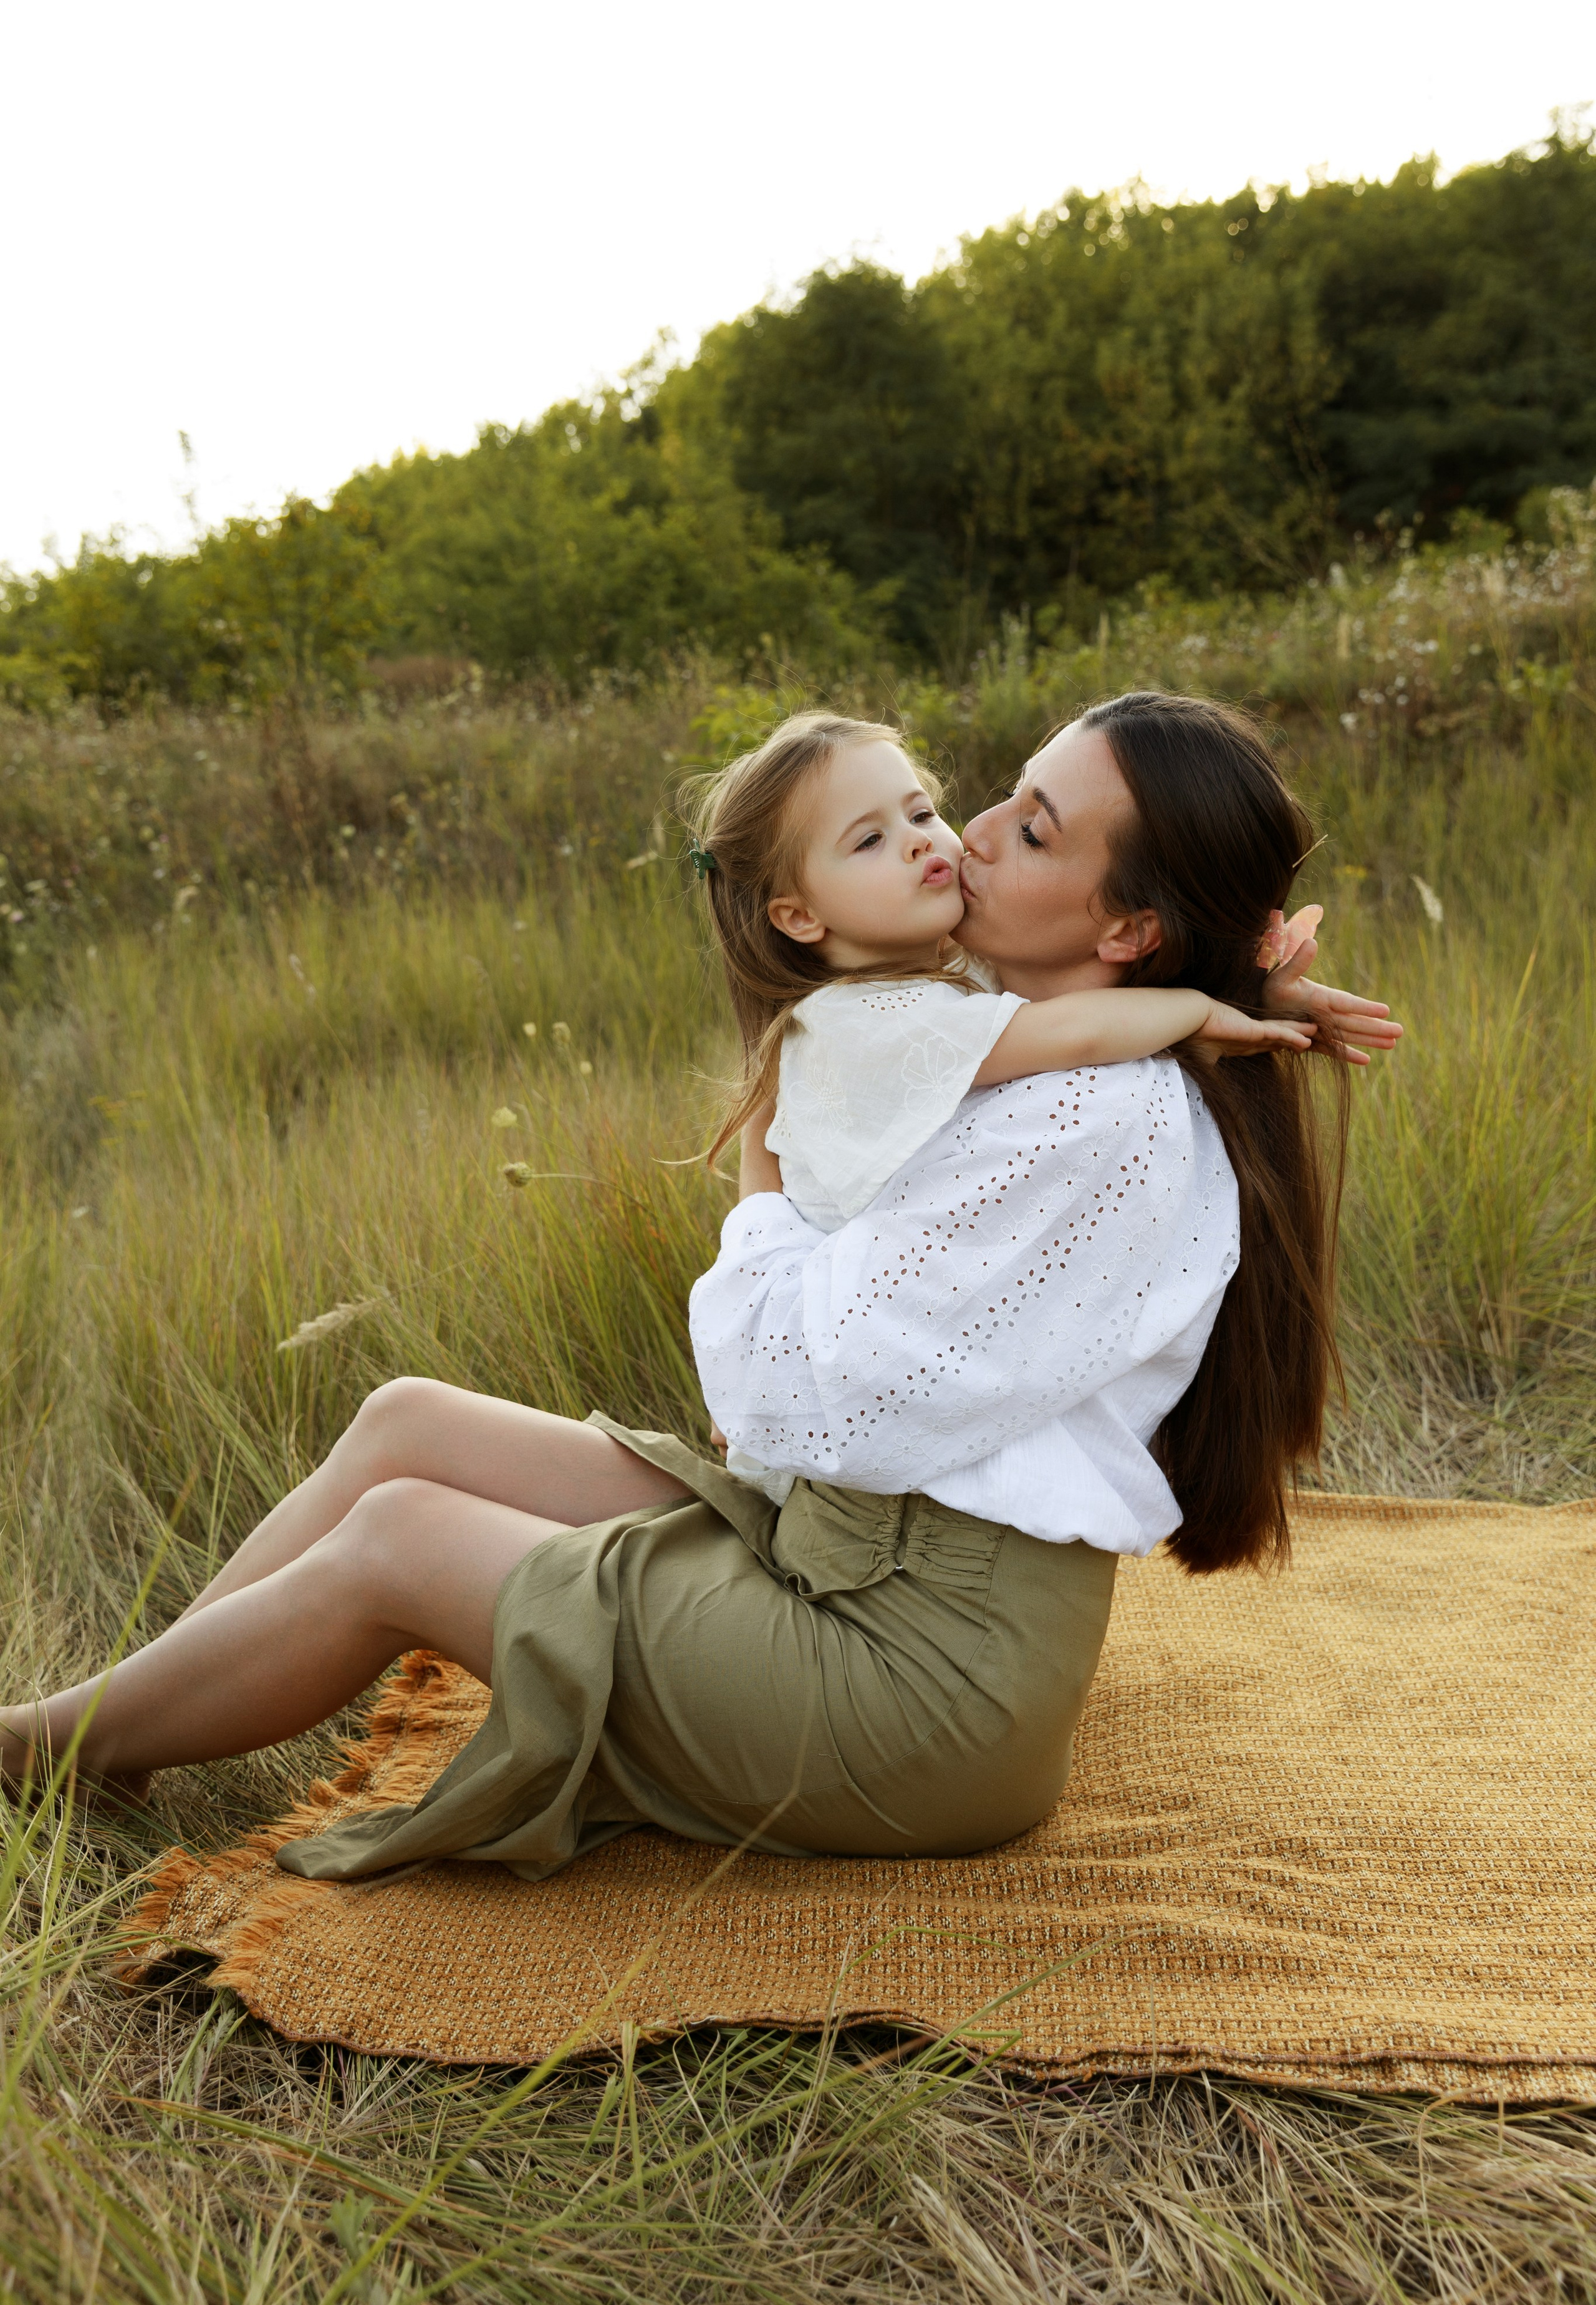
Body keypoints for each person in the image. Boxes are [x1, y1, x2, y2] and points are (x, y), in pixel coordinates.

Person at [0, 693, 1400, 1885]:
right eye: (995, 795)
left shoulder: (1089, 1121)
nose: (967, 833)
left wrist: (768, 1156)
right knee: (405, 1420)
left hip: (916, 1679)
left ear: (1131, 934)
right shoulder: (1015, 1039)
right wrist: (1241, 996)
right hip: (843, 1546)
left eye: (1032, 830)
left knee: (401, 1541)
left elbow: (796, 1403)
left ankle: (38, 1754)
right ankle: (122, 1727)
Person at [673, 710, 1343, 1504]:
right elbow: (1068, 1028)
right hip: (805, 1429)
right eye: (870, 840)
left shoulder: (1045, 1075)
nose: (953, 838)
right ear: (798, 915)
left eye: (922, 813)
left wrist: (1238, 991)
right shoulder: (879, 1018)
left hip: (836, 1466)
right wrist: (1202, 1005)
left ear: (1132, 932)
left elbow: (1062, 1028)